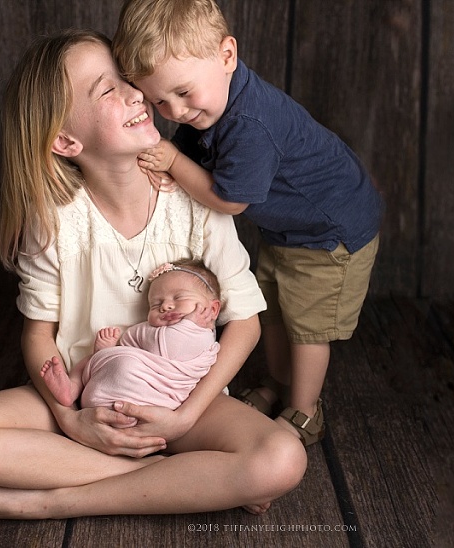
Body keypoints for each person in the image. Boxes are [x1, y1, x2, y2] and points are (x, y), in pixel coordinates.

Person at [0, 29, 306, 528]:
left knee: (283, 457)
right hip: (91, 394)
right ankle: (178, 481)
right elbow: (38, 335)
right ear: (64, 140)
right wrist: (72, 421)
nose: (135, 93)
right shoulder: (56, 222)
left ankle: (47, 502)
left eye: (128, 80)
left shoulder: (194, 200)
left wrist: (186, 417)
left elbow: (246, 323)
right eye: (107, 90)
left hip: (181, 396)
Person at [112, 0, 383, 446]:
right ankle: (276, 386)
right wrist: (177, 159)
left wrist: (174, 161)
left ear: (227, 56)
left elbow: (229, 199)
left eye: (182, 92)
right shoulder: (210, 103)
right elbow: (189, 144)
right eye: (159, 100)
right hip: (287, 230)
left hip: (331, 233)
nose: (175, 110)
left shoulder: (252, 122)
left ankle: (306, 410)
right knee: (271, 310)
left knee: (307, 325)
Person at [41, 259, 222, 410]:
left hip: (148, 399)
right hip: (109, 389)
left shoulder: (201, 335)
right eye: (155, 304)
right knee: (88, 361)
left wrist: (189, 322)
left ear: (212, 309)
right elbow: (131, 344)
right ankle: (71, 389)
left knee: (123, 362)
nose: (165, 306)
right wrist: (108, 351)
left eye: (179, 298)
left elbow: (160, 346)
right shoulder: (152, 329)